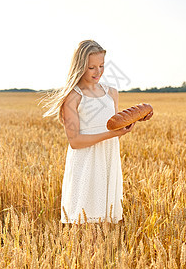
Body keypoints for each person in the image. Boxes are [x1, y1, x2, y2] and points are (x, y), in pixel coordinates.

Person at [39, 40, 153, 224]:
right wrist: (112, 135)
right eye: (92, 67)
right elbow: (75, 142)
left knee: (107, 221)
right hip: (85, 162)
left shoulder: (111, 93)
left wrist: (138, 117)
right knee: (86, 223)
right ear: (80, 67)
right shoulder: (73, 97)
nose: (98, 72)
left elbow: (114, 123)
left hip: (108, 158)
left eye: (101, 66)